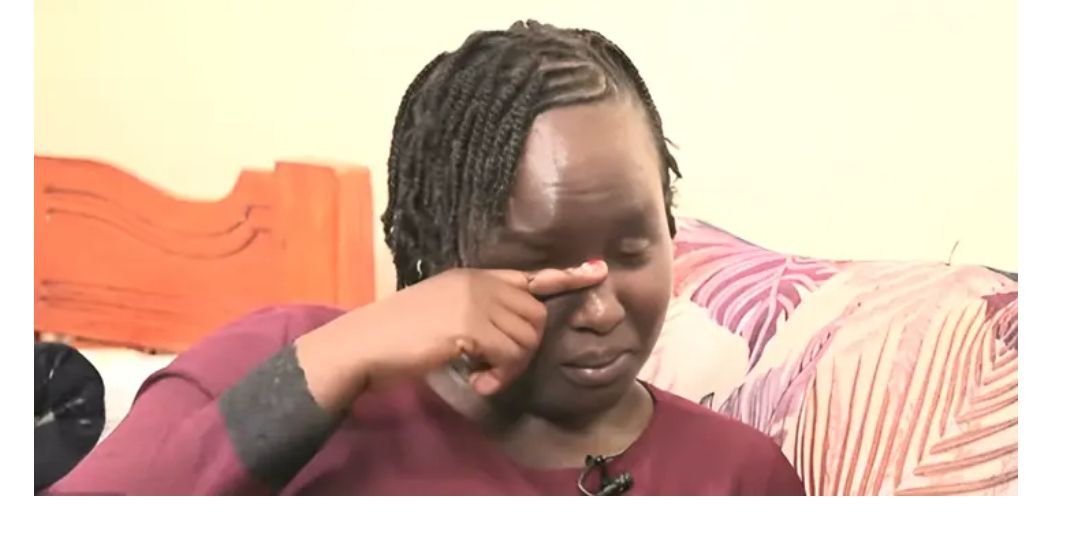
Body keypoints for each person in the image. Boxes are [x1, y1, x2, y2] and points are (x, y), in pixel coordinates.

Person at [49, 20, 805, 496]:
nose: (602, 308)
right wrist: (343, 354)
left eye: (633, 249)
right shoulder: (283, 354)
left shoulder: (738, 476)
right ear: (441, 256)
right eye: (543, 264)